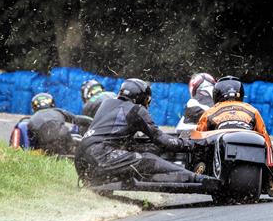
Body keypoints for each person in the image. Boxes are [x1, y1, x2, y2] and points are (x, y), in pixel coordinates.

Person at [75, 78, 213, 186]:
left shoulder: (106, 104)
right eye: (147, 100)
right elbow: (163, 141)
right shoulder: (136, 110)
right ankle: (197, 178)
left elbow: (114, 136)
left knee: (146, 149)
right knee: (147, 159)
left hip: (81, 160)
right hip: (101, 154)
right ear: (141, 97)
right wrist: (192, 144)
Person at [196, 76, 272, 147]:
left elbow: (198, 137)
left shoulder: (210, 112)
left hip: (221, 149)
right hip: (248, 149)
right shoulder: (252, 110)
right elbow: (265, 136)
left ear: (217, 94)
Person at [26, 93, 93, 155]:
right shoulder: (57, 111)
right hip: (63, 136)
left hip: (46, 144)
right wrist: (93, 122)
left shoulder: (31, 120)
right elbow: (77, 119)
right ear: (52, 104)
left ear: (34, 107)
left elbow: (32, 145)